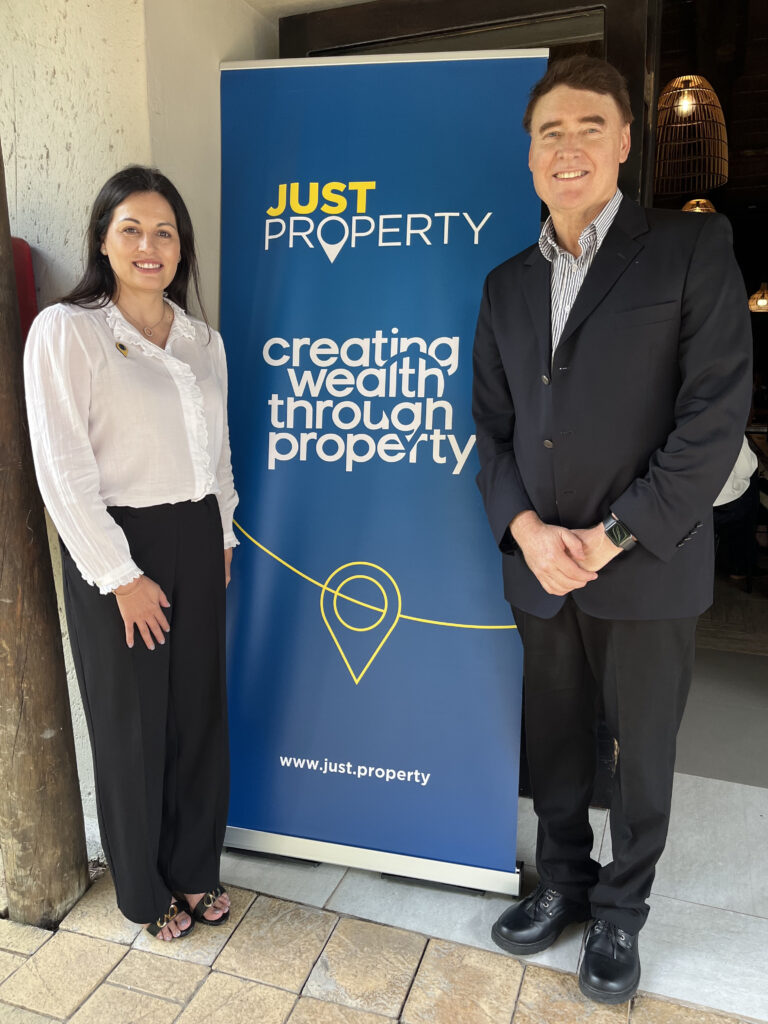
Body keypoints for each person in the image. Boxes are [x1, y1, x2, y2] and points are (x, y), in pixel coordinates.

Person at [472, 57, 752, 1004]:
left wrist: (609, 538)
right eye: (549, 131)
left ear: (626, 142)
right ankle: (564, 880)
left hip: (645, 563)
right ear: (529, 155)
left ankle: (622, 911)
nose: (569, 147)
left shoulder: (688, 250)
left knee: (642, 752)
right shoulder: (506, 285)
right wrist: (527, 530)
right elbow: (491, 430)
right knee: (554, 738)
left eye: (590, 127)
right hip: (541, 566)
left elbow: (713, 418)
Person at [24, 165, 239, 941]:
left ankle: (194, 866)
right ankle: (146, 893)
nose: (151, 245)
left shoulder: (202, 341)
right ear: (103, 240)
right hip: (117, 546)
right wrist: (121, 578)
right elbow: (63, 469)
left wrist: (222, 535)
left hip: (198, 535)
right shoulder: (67, 330)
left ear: (182, 247)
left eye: (165, 232)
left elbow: (218, 453)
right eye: (132, 229)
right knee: (132, 725)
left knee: (197, 716)